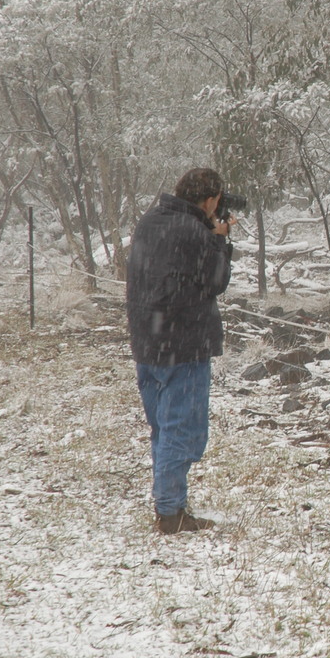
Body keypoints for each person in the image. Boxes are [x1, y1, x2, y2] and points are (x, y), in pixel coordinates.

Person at [126, 168, 235, 534]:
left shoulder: (150, 221)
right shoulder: (193, 232)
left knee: (162, 428)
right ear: (210, 200)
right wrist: (219, 240)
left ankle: (168, 504)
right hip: (184, 344)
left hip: (148, 340)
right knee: (183, 431)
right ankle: (170, 512)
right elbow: (215, 281)